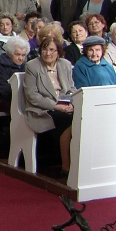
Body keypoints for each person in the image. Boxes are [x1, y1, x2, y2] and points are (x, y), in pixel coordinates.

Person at [23, 28, 76, 177]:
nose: (48, 53)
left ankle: (73, 164)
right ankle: (66, 166)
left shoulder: (65, 64)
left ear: (58, 52)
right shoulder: (33, 66)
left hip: (65, 105)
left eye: (52, 50)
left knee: (80, 117)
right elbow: (32, 95)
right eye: (45, 49)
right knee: (67, 120)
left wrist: (71, 102)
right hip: (42, 109)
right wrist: (56, 106)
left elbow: (71, 88)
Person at [0, 38, 30, 111]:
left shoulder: (26, 66)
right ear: (9, 53)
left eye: (23, 55)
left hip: (19, 97)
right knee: (21, 107)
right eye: (17, 54)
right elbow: (4, 90)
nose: (21, 58)